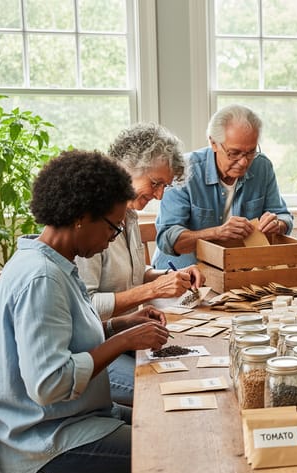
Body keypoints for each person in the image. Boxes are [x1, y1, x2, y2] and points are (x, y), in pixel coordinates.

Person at [0, 149, 177, 473]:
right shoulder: (42, 278)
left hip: (70, 420)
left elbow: (64, 336)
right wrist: (122, 341)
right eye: (112, 226)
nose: (113, 236)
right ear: (80, 217)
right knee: (168, 456)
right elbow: (49, 383)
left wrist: (120, 323)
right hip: (39, 443)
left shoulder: (53, 263)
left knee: (168, 425)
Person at [75, 123, 204, 405]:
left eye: (164, 187)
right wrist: (153, 291)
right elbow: (84, 308)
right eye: (155, 183)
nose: (159, 195)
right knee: (166, 392)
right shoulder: (94, 223)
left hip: (127, 334)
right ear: (127, 166)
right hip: (97, 351)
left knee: (195, 368)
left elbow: (134, 273)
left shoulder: (129, 215)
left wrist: (170, 276)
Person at [153, 104, 294, 269]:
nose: (243, 162)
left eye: (250, 152)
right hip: (182, 276)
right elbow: (168, 239)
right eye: (234, 153)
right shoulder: (182, 170)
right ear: (213, 143)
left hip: (238, 272)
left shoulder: (262, 166)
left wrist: (278, 224)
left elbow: (283, 216)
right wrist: (216, 233)